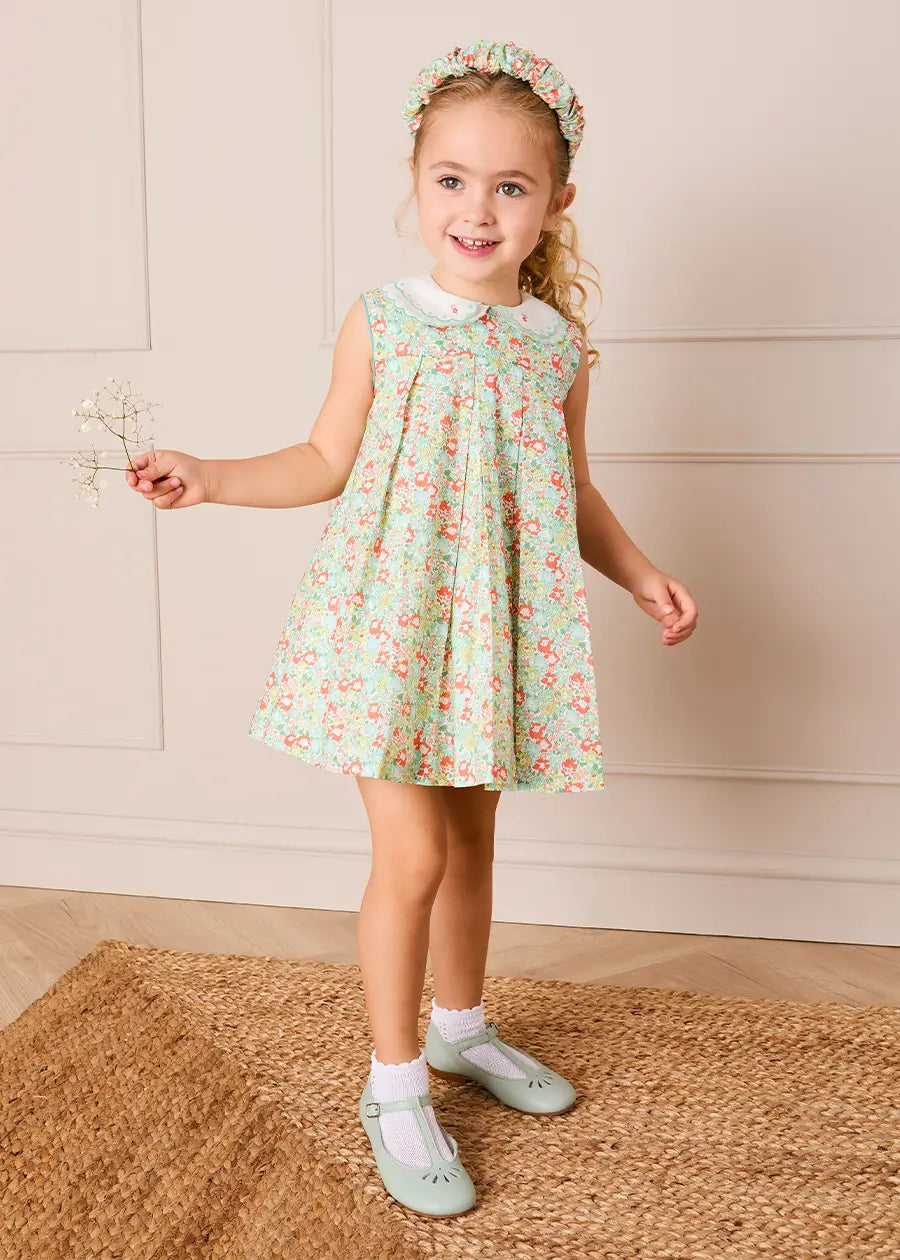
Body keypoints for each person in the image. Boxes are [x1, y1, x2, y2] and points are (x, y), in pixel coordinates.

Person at [125, 38, 698, 1218]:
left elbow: (573, 490)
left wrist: (641, 575)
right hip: (389, 632)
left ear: (556, 203)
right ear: (416, 181)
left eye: (509, 186)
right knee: (416, 857)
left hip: (490, 638)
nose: (477, 209)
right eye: (453, 179)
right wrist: (212, 477)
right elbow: (323, 456)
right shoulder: (383, 320)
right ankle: (393, 1085)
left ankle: (460, 1029)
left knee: (475, 846)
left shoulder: (554, 347)